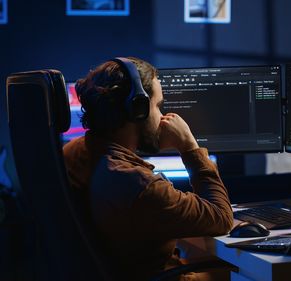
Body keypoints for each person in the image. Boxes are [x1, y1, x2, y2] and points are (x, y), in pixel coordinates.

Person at [63, 57, 233, 281]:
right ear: (137, 110)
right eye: (157, 106)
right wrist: (189, 147)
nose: (162, 116)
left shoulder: (74, 151)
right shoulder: (138, 185)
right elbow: (221, 217)